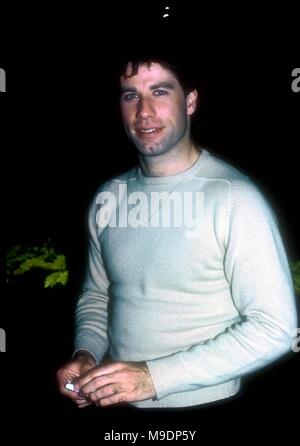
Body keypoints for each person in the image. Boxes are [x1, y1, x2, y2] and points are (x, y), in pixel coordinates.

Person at [57, 50, 297, 410]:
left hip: (204, 407)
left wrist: (153, 378)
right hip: (117, 404)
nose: (144, 111)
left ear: (190, 101)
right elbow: (98, 296)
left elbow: (275, 329)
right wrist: (87, 352)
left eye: (160, 91)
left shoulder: (235, 198)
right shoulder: (109, 196)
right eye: (130, 95)